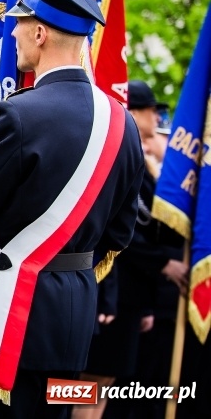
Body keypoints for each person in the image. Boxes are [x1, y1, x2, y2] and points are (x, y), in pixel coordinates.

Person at [0, 0, 144, 419]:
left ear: (40, 34)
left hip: (13, 318)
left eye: (19, 25)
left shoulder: (19, 115)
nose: (11, 35)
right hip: (74, 317)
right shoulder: (124, 124)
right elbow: (120, 234)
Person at [79, 82, 186, 419]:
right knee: (84, 387)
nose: (157, 116)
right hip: (112, 289)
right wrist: (162, 263)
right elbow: (123, 234)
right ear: (133, 111)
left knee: (105, 383)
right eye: (151, 109)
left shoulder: (140, 160)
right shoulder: (121, 157)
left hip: (132, 297)